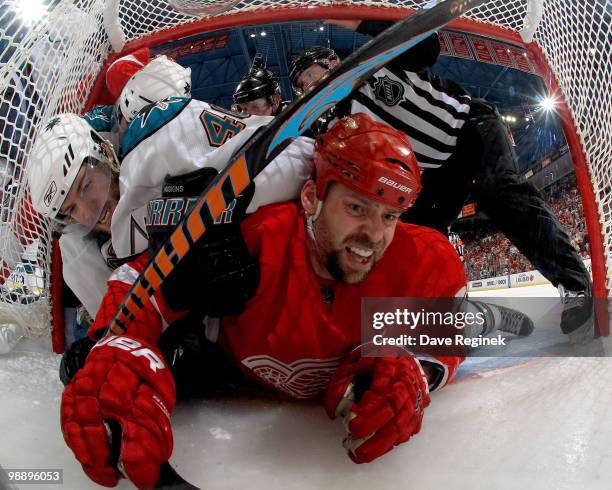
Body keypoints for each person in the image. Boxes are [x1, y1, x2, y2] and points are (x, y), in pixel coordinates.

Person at [59, 114, 503, 488]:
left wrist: (416, 370)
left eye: (389, 215)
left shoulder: (422, 258)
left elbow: (462, 325)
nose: (374, 234)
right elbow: (139, 276)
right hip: (223, 381)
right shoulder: (261, 236)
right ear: (310, 196)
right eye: (356, 208)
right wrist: (120, 348)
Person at [289, 24, 593, 343]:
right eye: (302, 85)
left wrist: (363, 23)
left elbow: (427, 47)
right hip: (432, 176)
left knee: (500, 193)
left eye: (313, 75)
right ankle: (461, 319)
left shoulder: (371, 65)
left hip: (470, 130)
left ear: (332, 63)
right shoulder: (336, 131)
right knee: (414, 240)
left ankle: (574, 284)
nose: (310, 86)